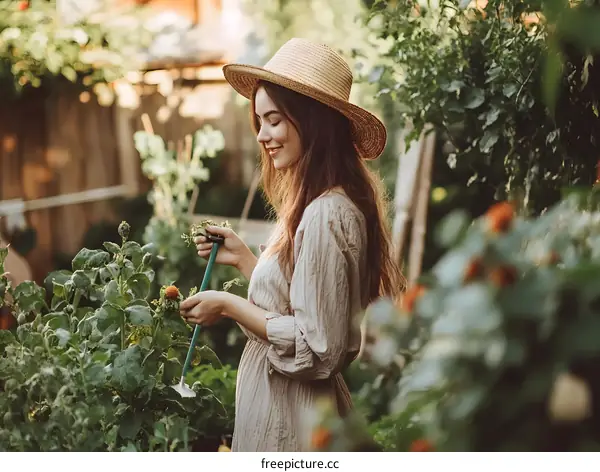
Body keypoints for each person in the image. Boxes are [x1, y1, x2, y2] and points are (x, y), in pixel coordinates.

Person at [179, 38, 405, 452]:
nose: (263, 135)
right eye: (260, 121)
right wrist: (248, 262)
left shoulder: (325, 214)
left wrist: (227, 305)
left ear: (312, 122)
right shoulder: (322, 205)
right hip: (285, 409)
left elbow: (316, 346)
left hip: (292, 422)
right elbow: (305, 302)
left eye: (275, 120)